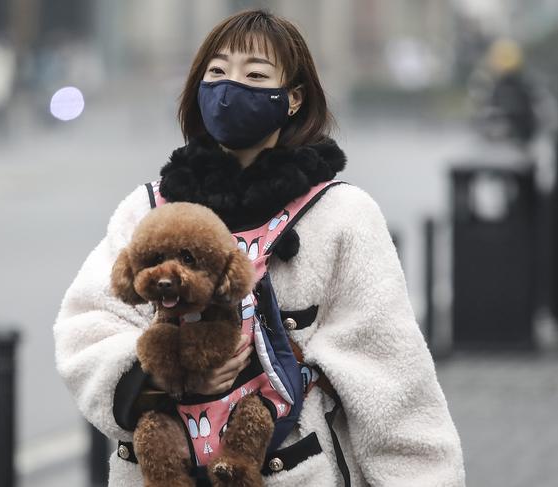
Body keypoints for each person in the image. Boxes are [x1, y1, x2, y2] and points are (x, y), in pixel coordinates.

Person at [54, 9, 465, 486]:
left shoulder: (343, 215)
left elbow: (392, 381)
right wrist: (163, 376)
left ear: (292, 99)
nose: (230, 88)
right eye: (217, 72)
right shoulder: (149, 209)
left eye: (254, 75)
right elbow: (85, 327)